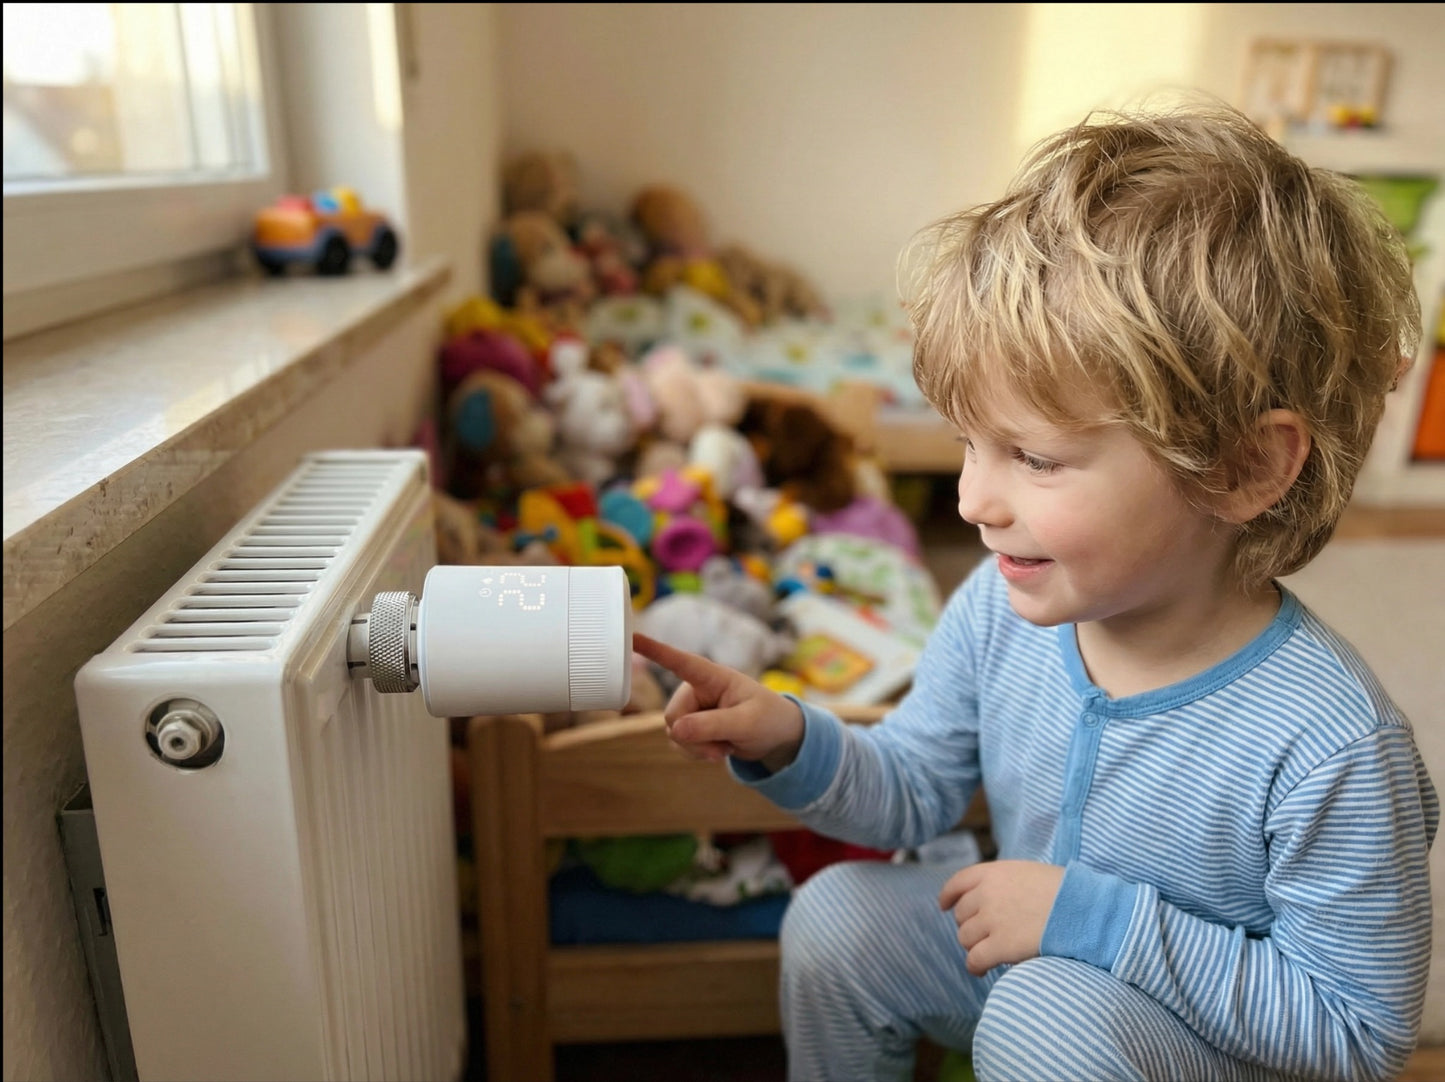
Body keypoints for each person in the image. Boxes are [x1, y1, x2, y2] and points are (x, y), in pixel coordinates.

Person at [631, 98, 1438, 1082]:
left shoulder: (1330, 744)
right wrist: (788, 738)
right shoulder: (995, 610)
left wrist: (1090, 920)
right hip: (1037, 972)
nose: (971, 499)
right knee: (838, 918)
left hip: (1205, 1045)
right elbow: (911, 788)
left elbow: (1358, 1030)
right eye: (968, 444)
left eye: (1035, 459)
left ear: (1244, 467)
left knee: (1042, 1012)